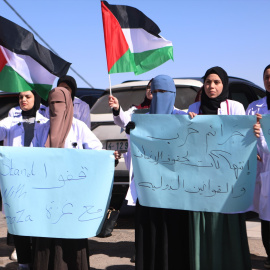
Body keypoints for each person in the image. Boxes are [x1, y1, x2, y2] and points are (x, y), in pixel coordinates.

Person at [33, 87, 119, 270]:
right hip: (47, 193)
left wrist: (110, 157)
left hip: (72, 194)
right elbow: (33, 155)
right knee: (47, 234)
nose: (55, 107)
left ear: (69, 104)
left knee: (71, 235)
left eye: (59, 103)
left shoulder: (78, 127)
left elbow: (96, 151)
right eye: (51, 103)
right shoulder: (41, 129)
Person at [188, 66, 252, 270]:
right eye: (207, 82)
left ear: (224, 85)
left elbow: (241, 137)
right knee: (203, 219)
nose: (211, 86)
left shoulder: (234, 107)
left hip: (226, 178)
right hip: (201, 178)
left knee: (227, 221)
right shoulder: (193, 108)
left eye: (216, 82)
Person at [122, 75, 189, 270]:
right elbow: (133, 154)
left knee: (173, 233)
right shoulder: (142, 121)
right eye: (155, 92)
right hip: (149, 190)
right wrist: (132, 133)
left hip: (175, 192)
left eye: (164, 92)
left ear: (173, 94)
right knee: (150, 232)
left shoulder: (182, 118)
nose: (159, 96)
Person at [0, 90, 48, 270]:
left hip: (38, 181)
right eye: (21, 97)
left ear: (36, 99)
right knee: (19, 223)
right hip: (17, 182)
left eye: (27, 97)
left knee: (37, 222)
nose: (23, 100)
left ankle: (37, 260)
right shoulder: (10, 121)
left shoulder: (45, 122)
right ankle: (23, 262)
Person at [246, 64, 270, 269]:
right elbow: (244, 135)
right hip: (263, 168)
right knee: (266, 216)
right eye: (267, 77)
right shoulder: (254, 107)